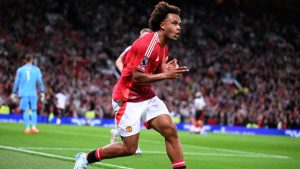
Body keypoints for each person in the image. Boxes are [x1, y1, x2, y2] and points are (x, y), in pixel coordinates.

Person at [74, 2, 188, 169]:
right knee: (129, 148)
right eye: (174, 23)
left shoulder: (163, 47)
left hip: (146, 96)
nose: (179, 27)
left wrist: (164, 69)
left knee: (170, 129)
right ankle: (85, 158)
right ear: (162, 25)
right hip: (127, 99)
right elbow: (137, 78)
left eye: (179, 24)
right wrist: (165, 75)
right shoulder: (147, 44)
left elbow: (153, 71)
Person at [110, 28, 152, 155]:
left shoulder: (150, 53)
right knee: (127, 114)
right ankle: (130, 142)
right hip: (125, 88)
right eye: (143, 37)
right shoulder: (131, 48)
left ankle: (117, 133)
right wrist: (125, 74)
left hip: (139, 90)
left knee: (135, 115)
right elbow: (118, 61)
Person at [11, 55, 45, 134]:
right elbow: (40, 81)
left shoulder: (20, 70)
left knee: (25, 110)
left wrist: (14, 92)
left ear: (25, 60)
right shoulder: (36, 69)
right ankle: (34, 127)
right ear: (32, 60)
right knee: (34, 110)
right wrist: (42, 91)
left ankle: (27, 128)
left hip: (24, 93)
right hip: (33, 93)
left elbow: (17, 82)